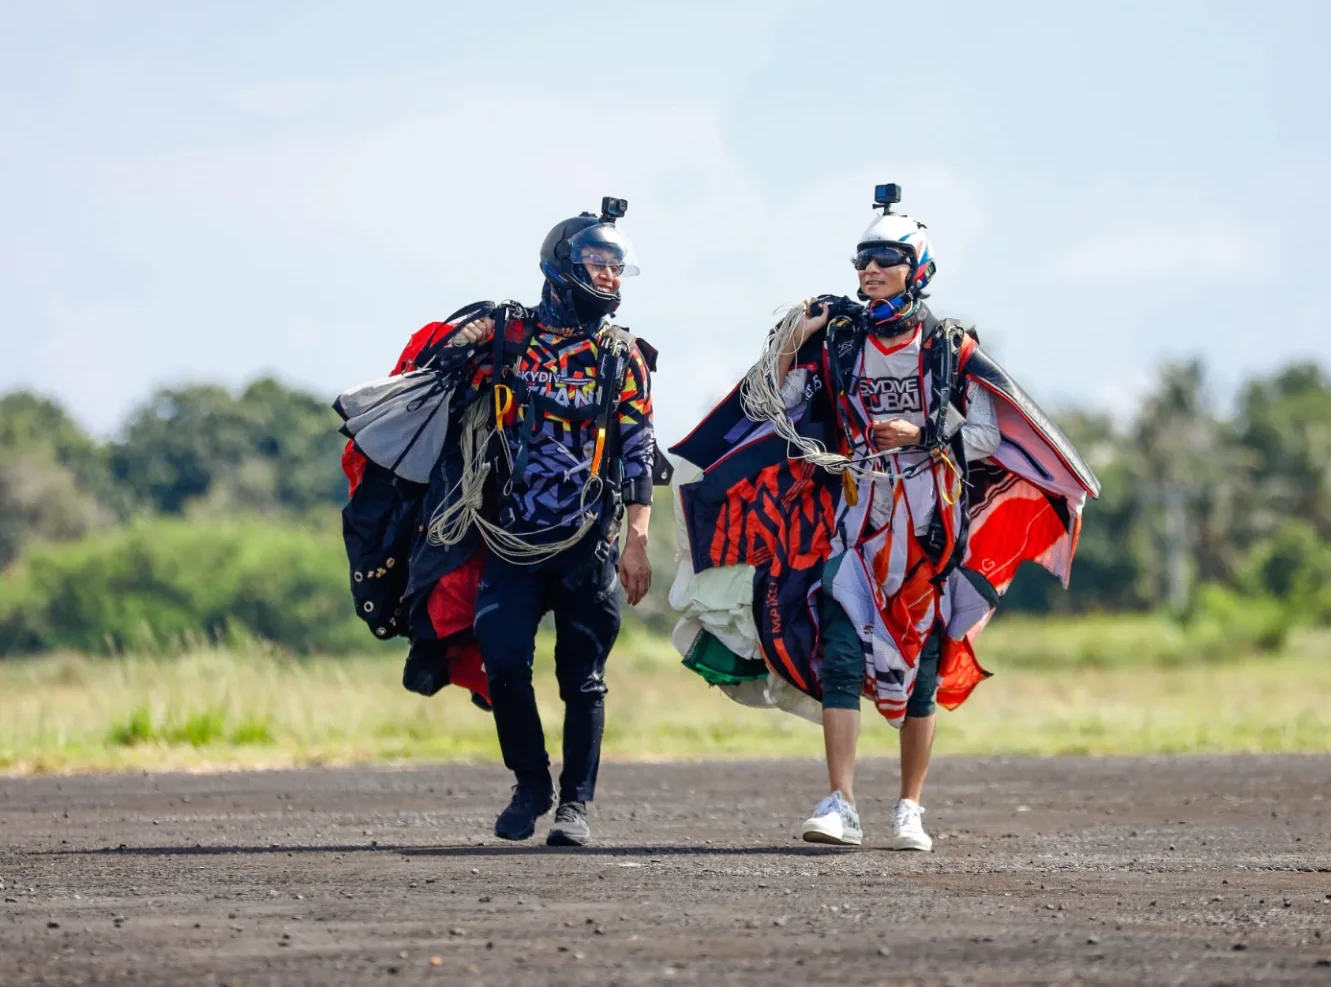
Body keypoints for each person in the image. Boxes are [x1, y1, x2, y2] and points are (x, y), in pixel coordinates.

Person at [668, 184, 1099, 851]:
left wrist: (923, 431)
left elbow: (985, 432)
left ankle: (909, 808)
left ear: (917, 268)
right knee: (839, 656)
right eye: (863, 260)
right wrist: (793, 341)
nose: (870, 271)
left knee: (921, 671)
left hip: (928, 535)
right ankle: (840, 801)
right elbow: (770, 404)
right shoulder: (839, 343)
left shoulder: (949, 347)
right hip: (852, 528)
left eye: (886, 259)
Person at [338, 198, 663, 848]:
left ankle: (575, 806)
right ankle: (531, 782)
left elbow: (638, 448)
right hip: (511, 541)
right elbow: (441, 361)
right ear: (563, 265)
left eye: (618, 268)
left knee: (584, 677)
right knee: (506, 661)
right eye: (598, 264)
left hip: (588, 543)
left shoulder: (622, 356)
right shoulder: (507, 334)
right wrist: (461, 344)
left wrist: (636, 540)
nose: (609, 278)